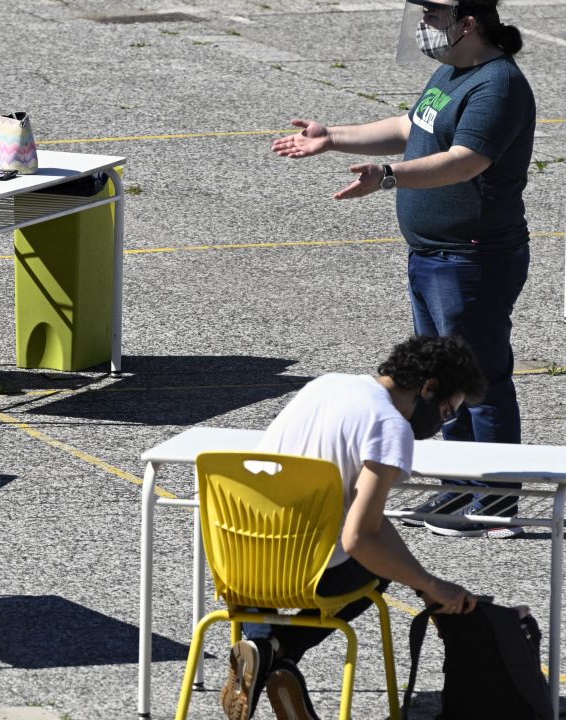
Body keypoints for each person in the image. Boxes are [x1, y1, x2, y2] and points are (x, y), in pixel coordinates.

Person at [270, 0, 533, 538]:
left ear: (469, 25)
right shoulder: (454, 71)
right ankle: (461, 487)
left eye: (434, 16)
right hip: (433, 253)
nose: (424, 25)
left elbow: (465, 161)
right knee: (447, 376)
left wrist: (389, 177)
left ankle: (497, 503)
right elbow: (411, 127)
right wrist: (333, 137)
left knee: (481, 376)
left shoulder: (498, 85)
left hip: (472, 257)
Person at [220, 335, 485, 720]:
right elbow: (361, 538)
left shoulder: (325, 384)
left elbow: (367, 521)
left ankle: (260, 644)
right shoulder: (390, 426)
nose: (444, 421)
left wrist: (423, 580)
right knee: (379, 574)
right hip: (307, 572)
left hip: (240, 561)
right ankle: (281, 650)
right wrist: (430, 585)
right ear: (429, 388)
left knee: (373, 559)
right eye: (447, 410)